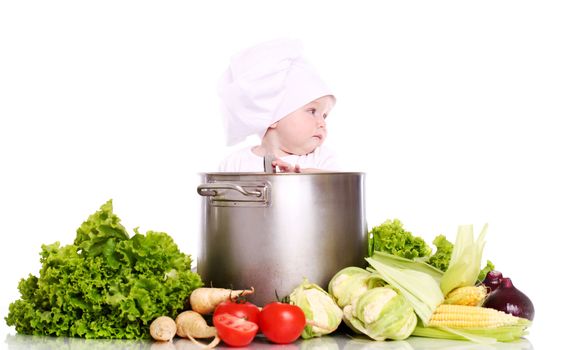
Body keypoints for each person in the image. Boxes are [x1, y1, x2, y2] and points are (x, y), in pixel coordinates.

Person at [217, 38, 339, 173]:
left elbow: (339, 185)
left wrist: (302, 176)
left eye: (324, 115)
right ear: (273, 118)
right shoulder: (235, 163)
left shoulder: (321, 158)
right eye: (312, 111)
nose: (322, 123)